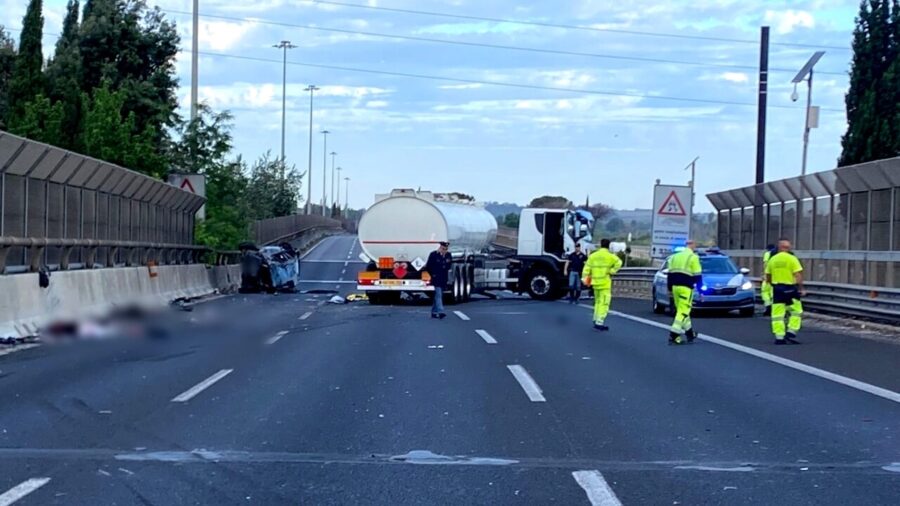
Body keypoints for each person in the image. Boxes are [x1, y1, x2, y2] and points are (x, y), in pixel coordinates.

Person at [765, 238, 805, 345]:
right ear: (787, 247)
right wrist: (801, 288)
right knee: (796, 311)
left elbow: (768, 276)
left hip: (777, 289)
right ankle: (791, 331)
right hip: (790, 289)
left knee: (777, 314)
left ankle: (779, 337)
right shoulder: (792, 259)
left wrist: (772, 284)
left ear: (778, 247)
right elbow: (798, 275)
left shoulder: (772, 259)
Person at [581, 238, 622, 331]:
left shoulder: (593, 256)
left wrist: (586, 281)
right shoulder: (610, 256)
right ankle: (599, 322)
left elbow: (586, 269)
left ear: (600, 245)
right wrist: (611, 271)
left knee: (598, 303)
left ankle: (595, 319)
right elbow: (619, 262)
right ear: (608, 246)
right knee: (604, 303)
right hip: (605, 283)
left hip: (595, 283)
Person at [667, 240, 702, 345]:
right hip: (686, 288)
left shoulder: (674, 257)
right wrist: (701, 291)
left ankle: (690, 334)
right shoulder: (693, 257)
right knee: (683, 311)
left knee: (682, 310)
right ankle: (674, 334)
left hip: (675, 287)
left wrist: (669, 289)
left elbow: (670, 274)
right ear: (692, 246)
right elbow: (698, 276)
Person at [425, 241, 452, 319]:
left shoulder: (448, 255)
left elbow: (448, 265)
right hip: (436, 277)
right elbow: (428, 266)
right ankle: (440, 311)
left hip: (443, 278)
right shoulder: (433, 255)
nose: (444, 250)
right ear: (440, 248)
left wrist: (444, 258)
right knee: (439, 294)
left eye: (446, 249)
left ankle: (434, 312)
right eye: (443, 249)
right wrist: (433, 274)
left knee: (438, 295)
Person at [760, 244, 776, 315]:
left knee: (765, 291)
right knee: (773, 292)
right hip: (776, 276)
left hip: (768, 275)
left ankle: (768, 305)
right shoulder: (779, 254)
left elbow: (765, 264)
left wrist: (764, 274)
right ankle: (773, 306)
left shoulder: (767, 254)